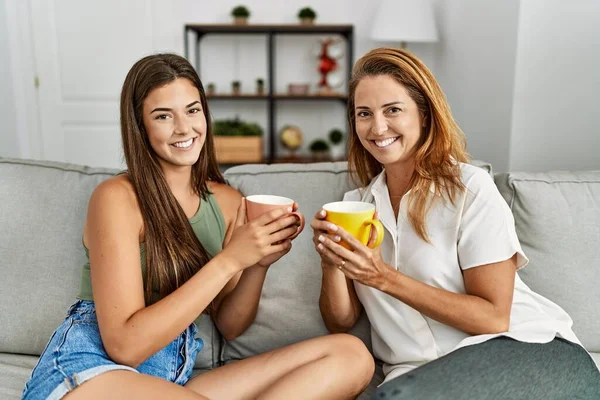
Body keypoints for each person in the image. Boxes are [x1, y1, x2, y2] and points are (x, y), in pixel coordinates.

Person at [22, 53, 374, 400]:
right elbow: (125, 348)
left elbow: (231, 326)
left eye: (192, 110)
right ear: (140, 127)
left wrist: (257, 264)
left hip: (169, 379)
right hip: (89, 373)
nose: (184, 128)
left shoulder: (226, 201)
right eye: (163, 116)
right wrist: (230, 260)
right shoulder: (116, 198)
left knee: (350, 355)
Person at [311, 47, 600, 400]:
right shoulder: (356, 207)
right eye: (364, 114)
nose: (377, 127)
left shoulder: (468, 190)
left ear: (425, 115)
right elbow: (340, 321)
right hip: (419, 376)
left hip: (526, 351)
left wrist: (383, 277)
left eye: (393, 110)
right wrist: (331, 264)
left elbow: (494, 318)